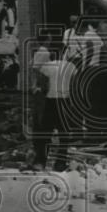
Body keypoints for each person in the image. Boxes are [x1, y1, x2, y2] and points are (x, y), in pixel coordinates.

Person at [33, 43, 77, 171]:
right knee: (64, 134)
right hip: (66, 101)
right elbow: (74, 85)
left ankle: (41, 161)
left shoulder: (47, 66)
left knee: (45, 132)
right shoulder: (71, 66)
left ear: (52, 53)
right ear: (65, 53)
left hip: (51, 101)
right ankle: (60, 163)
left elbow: (43, 85)